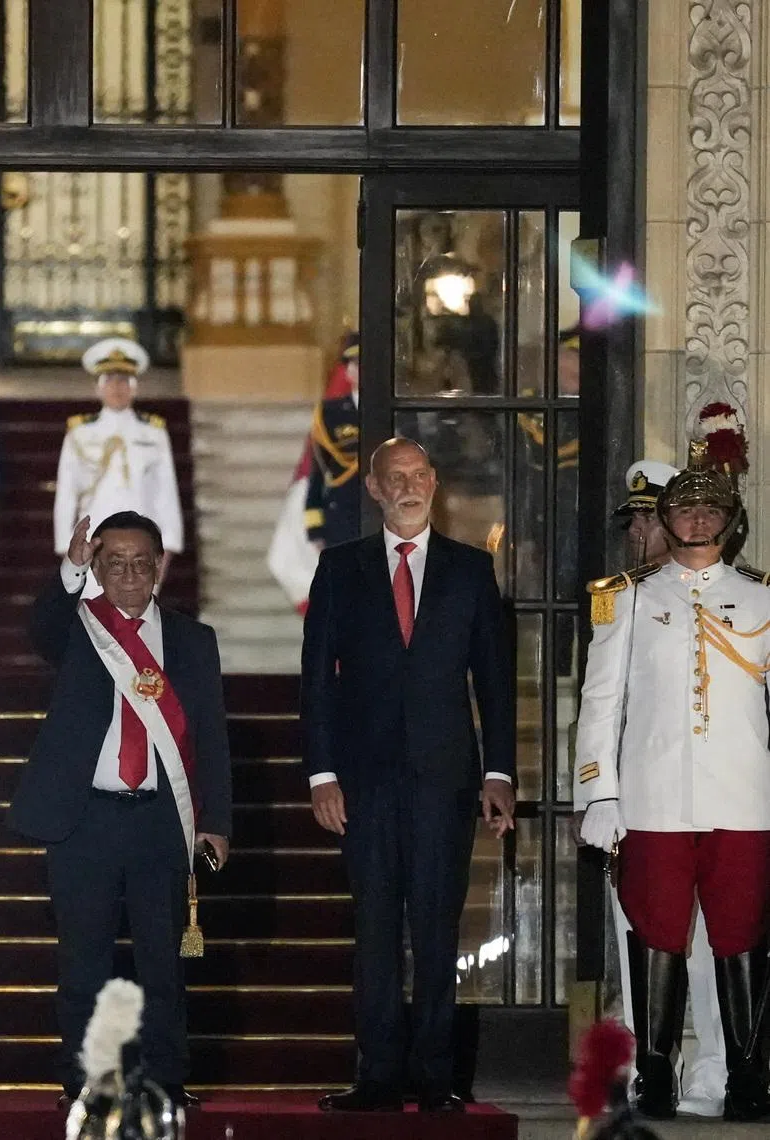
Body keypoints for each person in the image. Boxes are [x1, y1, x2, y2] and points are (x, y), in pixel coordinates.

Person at [301, 437, 516, 1112]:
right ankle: (377, 1077)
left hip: (444, 781)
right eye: (394, 476)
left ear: (434, 482)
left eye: (419, 474)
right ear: (372, 488)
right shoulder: (340, 569)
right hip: (362, 784)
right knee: (374, 930)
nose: (408, 485)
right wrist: (321, 775)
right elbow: (316, 682)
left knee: (434, 927)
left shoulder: (471, 571)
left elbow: (495, 682)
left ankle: (434, 1078)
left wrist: (501, 772)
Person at [9, 510, 231, 1106]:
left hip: (162, 820)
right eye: (114, 563)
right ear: (98, 568)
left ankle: (165, 1078)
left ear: (160, 565)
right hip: (85, 820)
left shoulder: (192, 639)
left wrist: (215, 823)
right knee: (84, 965)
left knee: (163, 965)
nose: (129, 574)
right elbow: (39, 626)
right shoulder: (78, 628)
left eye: (140, 562)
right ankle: (84, 1081)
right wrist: (71, 569)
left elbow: (209, 736)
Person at [576, 441, 770, 1122]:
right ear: (664, 515)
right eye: (682, 508)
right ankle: (654, 1074)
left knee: (741, 932)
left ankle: (748, 1076)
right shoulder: (626, 599)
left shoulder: (759, 598)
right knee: (658, 931)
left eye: (708, 507)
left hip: (744, 798)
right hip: (654, 796)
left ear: (730, 519)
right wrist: (598, 788)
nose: (694, 519)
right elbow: (600, 700)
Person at [52, 338, 183, 591]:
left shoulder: (153, 433)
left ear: (135, 387)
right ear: (98, 388)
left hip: (144, 542)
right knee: (93, 621)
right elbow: (67, 494)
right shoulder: (79, 433)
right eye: (110, 380)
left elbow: (166, 494)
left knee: (137, 623)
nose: (117, 387)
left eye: (124, 380)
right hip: (94, 544)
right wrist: (66, 548)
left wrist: (168, 548)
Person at [304, 331, 361, 549]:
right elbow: (318, 472)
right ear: (347, 371)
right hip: (341, 518)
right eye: (354, 363)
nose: (360, 369)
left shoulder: (392, 410)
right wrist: (315, 528)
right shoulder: (330, 413)